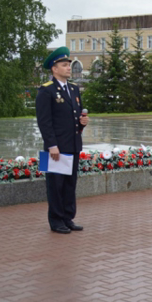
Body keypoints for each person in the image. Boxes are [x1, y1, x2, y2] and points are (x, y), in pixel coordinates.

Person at [35, 47, 90, 234]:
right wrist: (52, 145)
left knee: (69, 184)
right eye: (64, 65)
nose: (69, 68)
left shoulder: (73, 89)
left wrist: (83, 123)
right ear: (54, 68)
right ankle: (56, 221)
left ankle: (68, 218)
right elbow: (44, 122)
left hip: (73, 144)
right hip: (55, 148)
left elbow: (76, 117)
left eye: (69, 65)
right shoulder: (46, 91)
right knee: (55, 185)